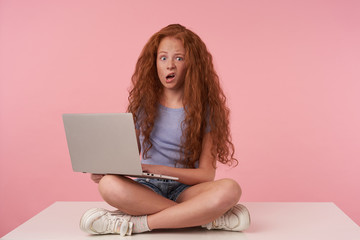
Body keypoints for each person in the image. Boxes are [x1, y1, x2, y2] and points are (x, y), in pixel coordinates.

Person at [80, 24, 250, 237]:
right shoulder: (143, 104)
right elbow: (126, 161)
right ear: (154, 63)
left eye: (179, 58)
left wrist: (157, 168)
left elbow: (207, 176)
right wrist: (106, 170)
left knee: (230, 190)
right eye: (163, 58)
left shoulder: (208, 109)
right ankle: (203, 218)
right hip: (148, 189)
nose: (170, 65)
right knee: (108, 185)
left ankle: (135, 224)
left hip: (186, 191)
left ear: (192, 65)